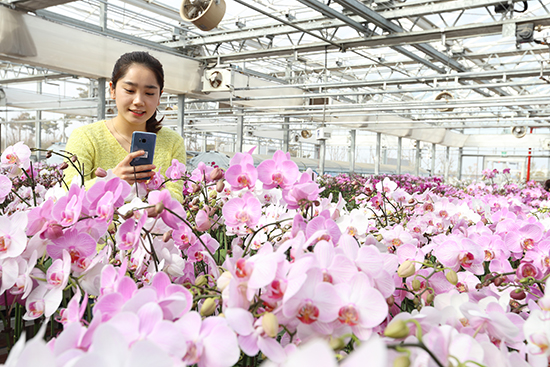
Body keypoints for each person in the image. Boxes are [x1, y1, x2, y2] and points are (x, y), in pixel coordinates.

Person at [63, 51, 186, 202]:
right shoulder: (86, 137)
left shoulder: (173, 142)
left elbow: (177, 198)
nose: (139, 101)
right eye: (129, 90)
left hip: (152, 225)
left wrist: (150, 188)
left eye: (149, 93)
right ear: (112, 90)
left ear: (159, 96)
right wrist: (111, 180)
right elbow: (68, 194)